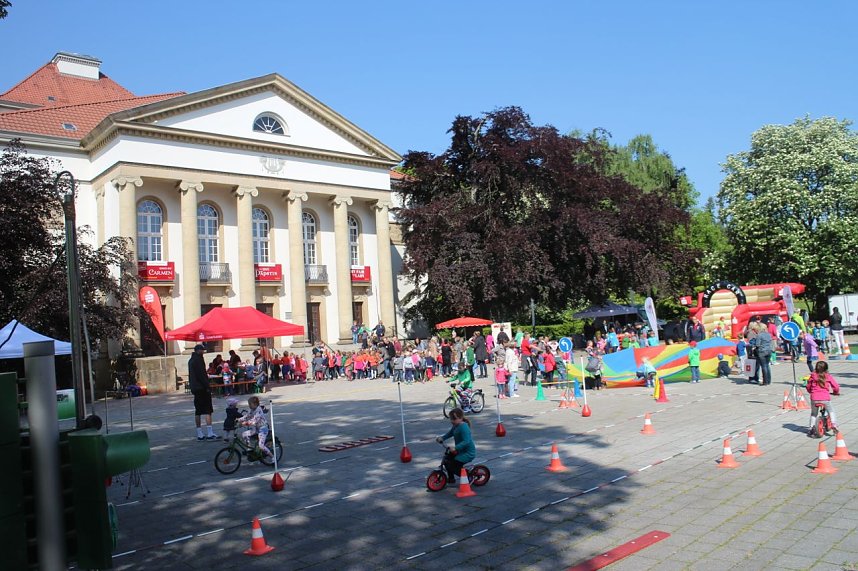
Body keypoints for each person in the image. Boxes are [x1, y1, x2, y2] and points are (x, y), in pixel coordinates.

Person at [435, 408, 476, 484]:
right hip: (460, 451)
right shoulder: (456, 426)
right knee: (447, 460)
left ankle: (468, 477)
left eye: (454, 419)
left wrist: (455, 448)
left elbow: (466, 441)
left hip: (467, 453)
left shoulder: (464, 427)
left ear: (460, 418)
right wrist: (442, 438)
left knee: (453, 466)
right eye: (451, 419)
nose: (452, 421)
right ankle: (451, 479)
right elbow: (450, 433)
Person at [188, 344, 217, 441]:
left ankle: (199, 433)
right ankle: (210, 432)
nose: (204, 352)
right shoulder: (198, 360)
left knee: (198, 411)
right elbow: (202, 375)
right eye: (202, 350)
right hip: (202, 388)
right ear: (198, 351)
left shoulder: (191, 360)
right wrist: (207, 386)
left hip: (195, 388)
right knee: (208, 410)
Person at [805, 361, 840, 438]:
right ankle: (834, 424)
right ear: (826, 368)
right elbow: (836, 386)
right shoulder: (828, 376)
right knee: (831, 411)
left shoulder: (812, 376)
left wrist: (811, 392)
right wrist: (835, 392)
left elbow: (808, 386)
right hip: (825, 398)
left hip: (814, 398)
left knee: (814, 414)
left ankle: (811, 428)